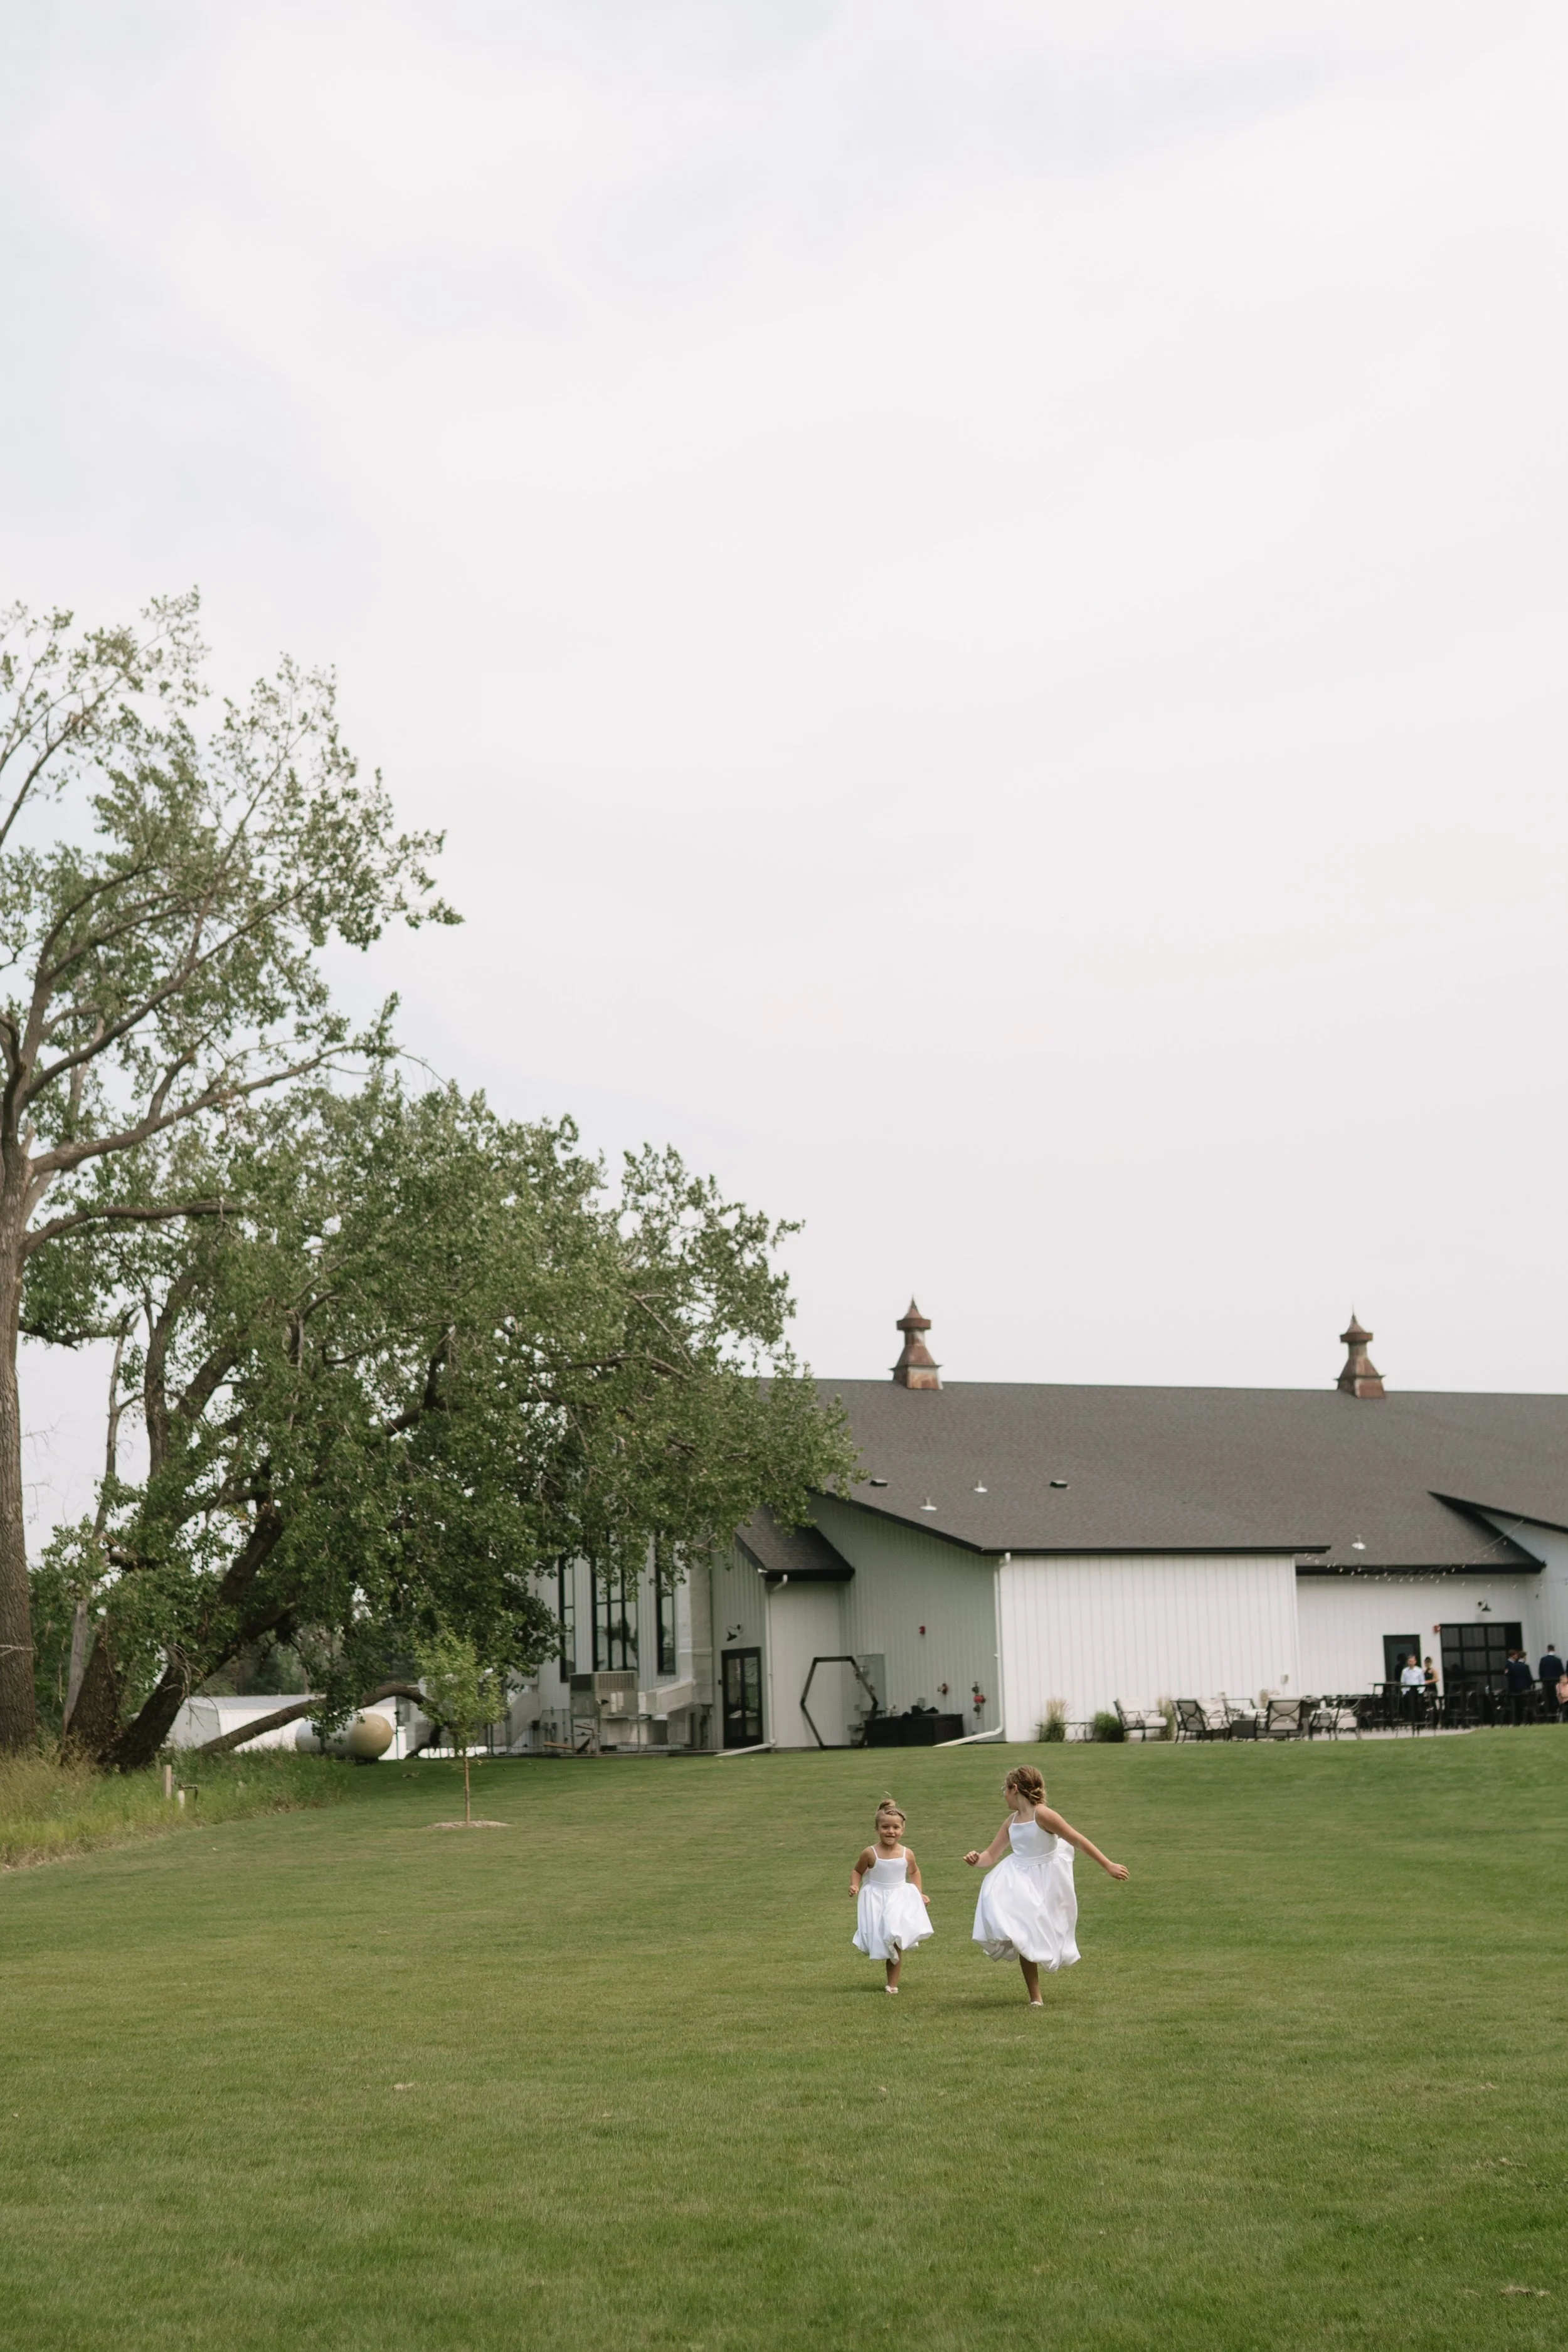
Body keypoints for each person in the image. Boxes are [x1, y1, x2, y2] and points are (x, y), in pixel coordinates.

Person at [965, 1763, 1128, 2007]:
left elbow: (1078, 1840)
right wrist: (977, 1860)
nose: (1003, 1795)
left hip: (1048, 1878)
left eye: (1004, 1789)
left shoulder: (1043, 1815)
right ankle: (1035, 1998)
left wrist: (1107, 1865)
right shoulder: (1011, 1822)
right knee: (1023, 1934)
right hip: (1018, 1879)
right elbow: (991, 1855)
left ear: (1015, 1788)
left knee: (1050, 1928)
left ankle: (1049, 1960)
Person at [850, 1799, 932, 1993]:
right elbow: (857, 1871)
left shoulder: (907, 1853)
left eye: (896, 1827)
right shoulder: (870, 1853)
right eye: (885, 1827)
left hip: (899, 1898)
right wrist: (854, 1885)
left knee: (894, 1937)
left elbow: (914, 1872)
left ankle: (892, 1985)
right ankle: (890, 1975)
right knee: (880, 1938)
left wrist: (919, 1894)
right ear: (877, 1829)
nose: (891, 1831)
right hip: (876, 1899)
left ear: (902, 1830)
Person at [1504, 1647, 1534, 1725]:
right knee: (1525, 1705)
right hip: (1524, 1689)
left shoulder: (1513, 1666)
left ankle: (1517, 1721)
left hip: (1515, 1689)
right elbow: (1529, 1678)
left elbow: (1509, 1676)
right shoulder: (1525, 1666)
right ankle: (1527, 1720)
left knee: (1516, 1706)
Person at [1539, 1642, 1565, 1724]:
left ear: (1548, 1650)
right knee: (1556, 1699)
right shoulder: (1558, 1660)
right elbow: (1562, 1672)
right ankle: (1555, 1715)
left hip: (1546, 1682)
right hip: (1556, 1682)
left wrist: (1543, 1680)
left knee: (1547, 1699)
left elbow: (1541, 1672)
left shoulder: (1543, 1660)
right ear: (1554, 1650)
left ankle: (1549, 1717)